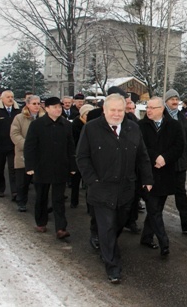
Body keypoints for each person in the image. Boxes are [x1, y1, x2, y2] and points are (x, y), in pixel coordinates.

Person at [76, 93, 153, 284]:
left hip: (126, 189)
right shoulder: (91, 129)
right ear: (104, 110)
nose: (117, 114)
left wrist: (147, 178)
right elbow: (82, 157)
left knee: (119, 222)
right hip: (101, 188)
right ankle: (112, 266)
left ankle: (103, 242)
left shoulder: (132, 128)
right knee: (107, 226)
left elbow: (142, 155)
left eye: (120, 110)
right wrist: (92, 180)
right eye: (113, 110)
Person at [138, 97, 184, 256]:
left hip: (165, 173)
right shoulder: (140, 126)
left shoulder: (174, 125)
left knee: (157, 207)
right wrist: (155, 157)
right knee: (153, 208)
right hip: (147, 173)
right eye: (147, 107)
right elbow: (139, 146)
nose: (148, 110)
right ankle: (164, 241)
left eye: (153, 108)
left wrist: (165, 158)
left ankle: (146, 236)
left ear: (161, 109)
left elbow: (179, 147)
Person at [24, 97, 77, 238]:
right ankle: (41, 222)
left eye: (59, 107)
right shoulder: (37, 125)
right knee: (41, 196)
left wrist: (72, 165)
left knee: (58, 199)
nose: (58, 110)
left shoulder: (66, 124)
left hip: (60, 166)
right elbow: (30, 146)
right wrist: (30, 165)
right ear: (46, 108)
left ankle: (61, 228)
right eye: (54, 107)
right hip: (42, 166)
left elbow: (71, 146)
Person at [163, 89, 187, 233]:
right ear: (166, 101)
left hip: (180, 162)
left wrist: (186, 156)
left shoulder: (182, 117)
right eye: (172, 99)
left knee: (180, 191)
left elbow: (186, 138)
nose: (175, 102)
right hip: (165, 162)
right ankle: (150, 229)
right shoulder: (161, 116)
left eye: (177, 99)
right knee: (161, 195)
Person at [10, 95, 45, 212]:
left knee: (41, 182)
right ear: (28, 105)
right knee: (22, 181)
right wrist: (27, 145)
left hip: (40, 154)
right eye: (34, 104)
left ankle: (42, 204)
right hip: (23, 153)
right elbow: (14, 133)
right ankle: (21, 201)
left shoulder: (44, 117)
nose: (37, 106)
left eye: (38, 103)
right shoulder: (19, 118)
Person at [70, 104, 95, 208]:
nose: (88, 115)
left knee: (89, 183)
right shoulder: (75, 125)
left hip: (90, 157)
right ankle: (74, 202)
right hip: (77, 156)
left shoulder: (93, 125)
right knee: (75, 181)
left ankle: (90, 205)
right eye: (87, 114)